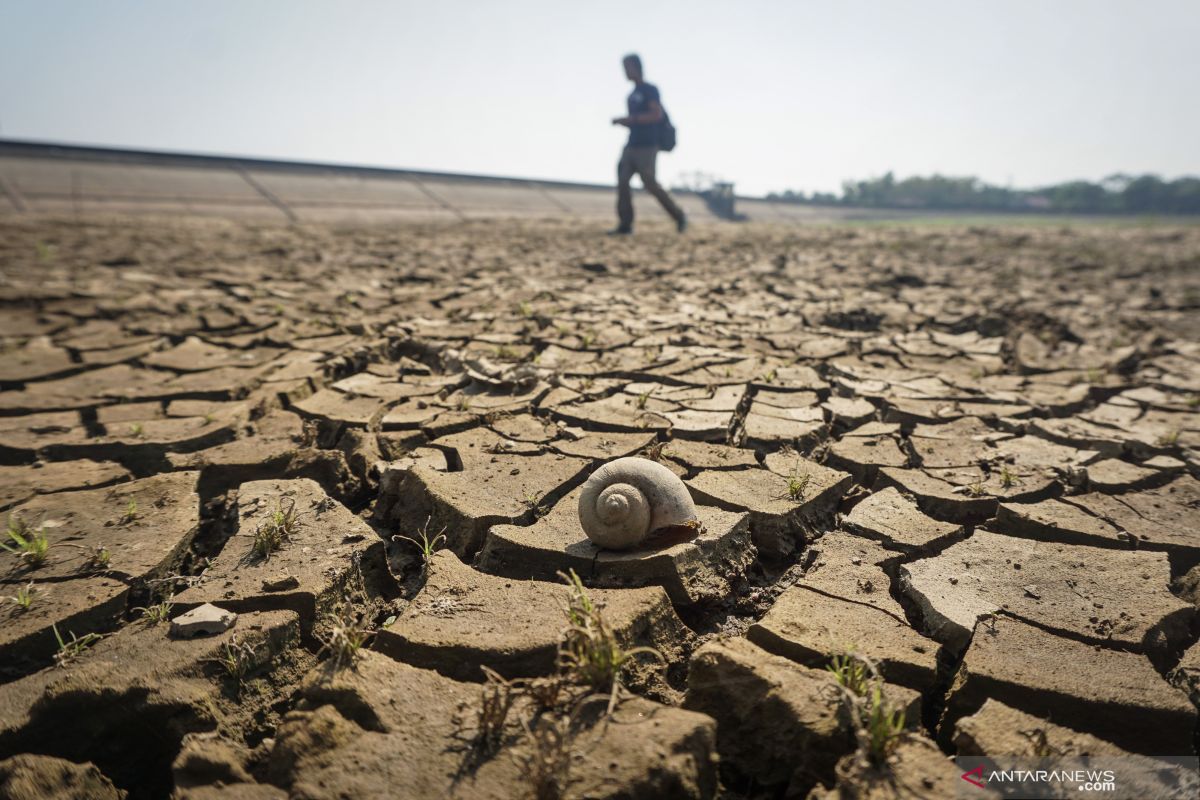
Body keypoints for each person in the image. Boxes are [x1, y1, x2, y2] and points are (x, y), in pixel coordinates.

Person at [610, 54, 686, 235]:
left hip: (647, 145)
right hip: (631, 143)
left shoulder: (650, 90)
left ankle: (679, 215)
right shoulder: (631, 96)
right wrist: (624, 122)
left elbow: (656, 115)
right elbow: (638, 120)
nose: (625, 72)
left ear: (637, 67)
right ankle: (625, 225)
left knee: (650, 183)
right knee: (622, 181)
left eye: (627, 68)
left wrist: (631, 118)